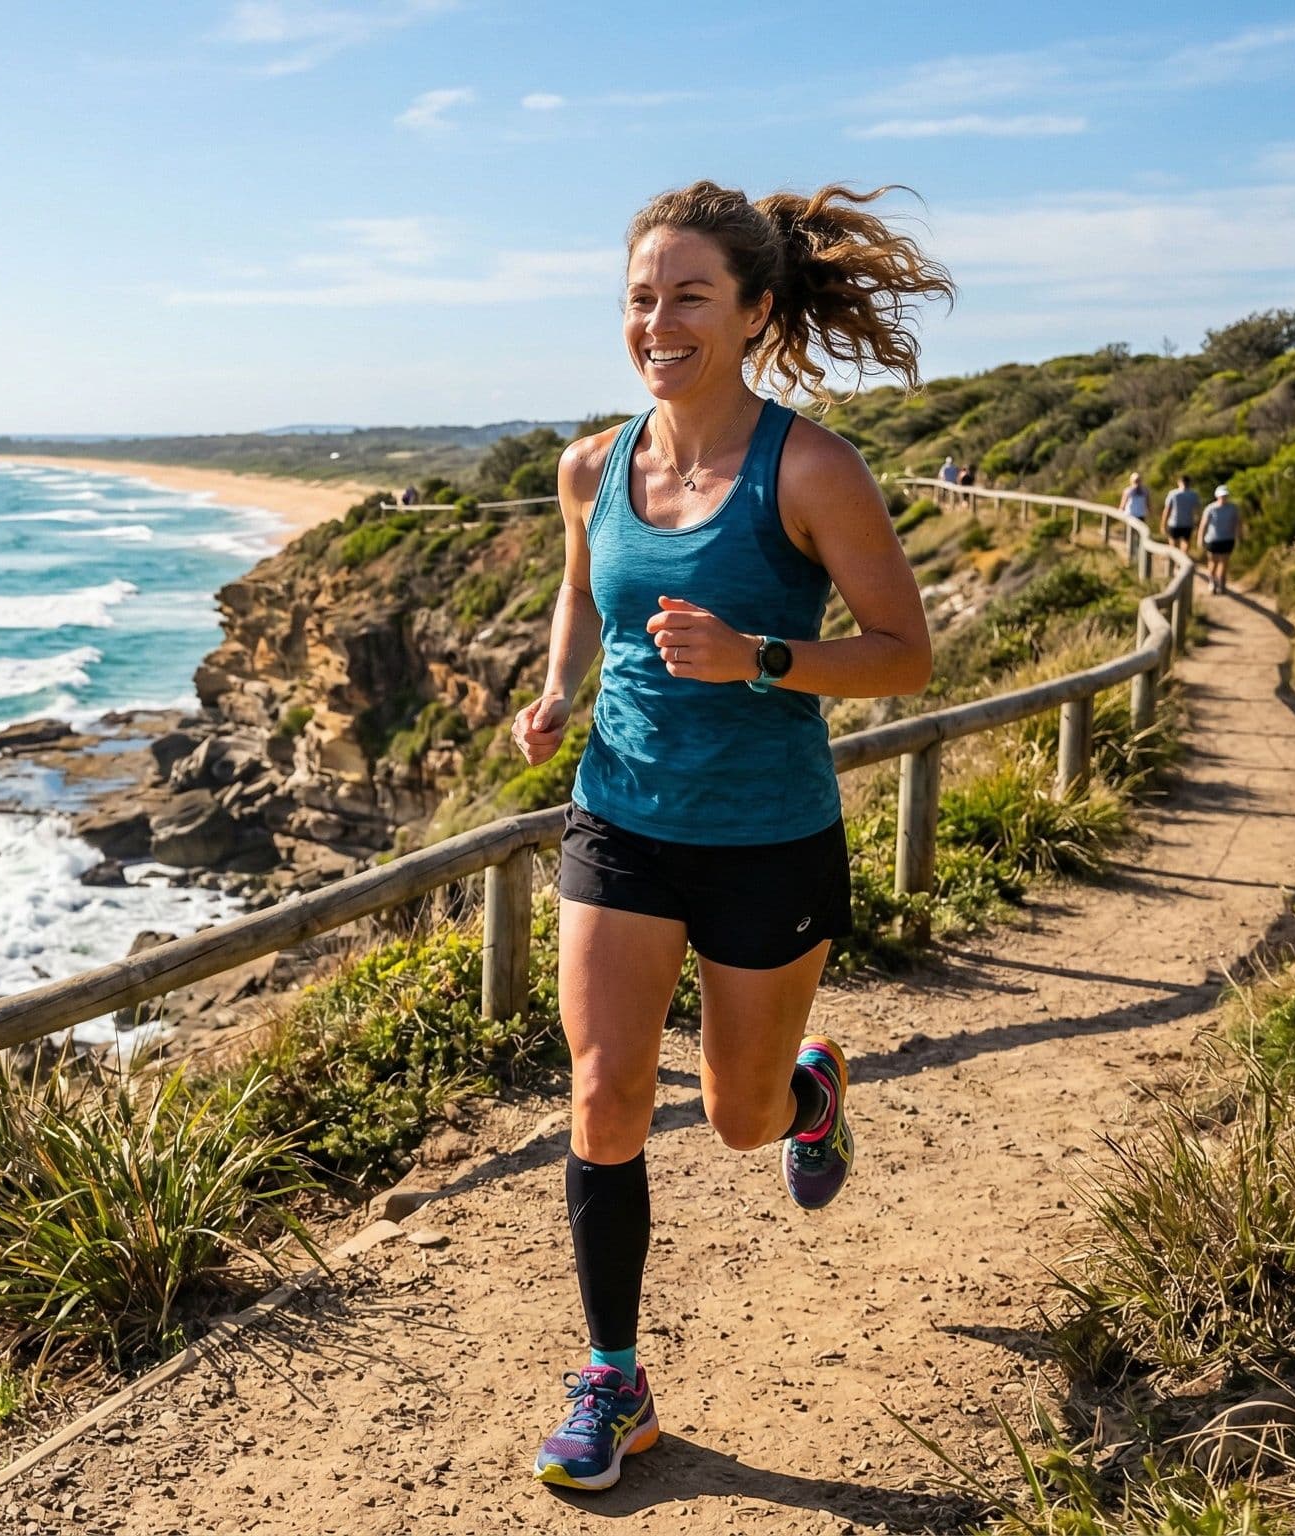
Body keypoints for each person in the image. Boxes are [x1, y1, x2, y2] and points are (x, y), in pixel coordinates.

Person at [505, 181, 941, 1492]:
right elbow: (583, 589)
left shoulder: (811, 470)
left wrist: (760, 658)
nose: (658, 320)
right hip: (621, 818)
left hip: (768, 838)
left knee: (738, 1121)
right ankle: (613, 1381)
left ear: (754, 311)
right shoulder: (593, 464)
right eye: (641, 297)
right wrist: (557, 686)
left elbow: (905, 657)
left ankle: (809, 1093)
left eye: (690, 295)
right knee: (605, 1095)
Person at [1200, 484, 1244, 594]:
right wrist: (1200, 539)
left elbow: (1238, 523)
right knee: (1213, 562)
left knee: (1224, 562)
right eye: (1221, 496)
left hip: (1227, 539)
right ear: (1217, 496)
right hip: (1212, 540)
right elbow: (1203, 525)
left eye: (1225, 496)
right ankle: (1212, 581)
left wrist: (1239, 536)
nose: (1223, 498)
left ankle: (1222, 583)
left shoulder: (1233, 508)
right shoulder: (1210, 508)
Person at [1162, 473, 1202, 553]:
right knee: (1186, 543)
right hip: (1188, 523)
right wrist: (1197, 524)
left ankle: (1174, 563)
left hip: (1174, 523)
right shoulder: (1194, 495)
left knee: (1173, 546)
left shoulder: (1173, 494)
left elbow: (1167, 510)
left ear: (1179, 482)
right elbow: (1198, 511)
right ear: (1189, 483)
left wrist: (1163, 524)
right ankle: (1181, 562)